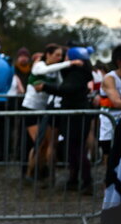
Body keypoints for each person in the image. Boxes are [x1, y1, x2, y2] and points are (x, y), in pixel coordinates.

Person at [21, 44, 83, 182]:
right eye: (57, 55)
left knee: (45, 144)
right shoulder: (39, 65)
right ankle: (29, 173)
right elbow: (46, 70)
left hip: (44, 109)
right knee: (39, 142)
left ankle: (42, 172)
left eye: (61, 55)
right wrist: (69, 63)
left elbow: (61, 86)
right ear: (48, 54)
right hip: (31, 108)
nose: (59, 58)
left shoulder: (56, 71)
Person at [39, 46, 94, 194]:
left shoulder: (77, 74)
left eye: (66, 57)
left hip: (76, 116)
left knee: (77, 150)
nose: (64, 59)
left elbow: (66, 90)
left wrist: (45, 87)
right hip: (75, 114)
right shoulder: (78, 72)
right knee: (73, 149)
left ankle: (86, 181)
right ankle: (73, 179)